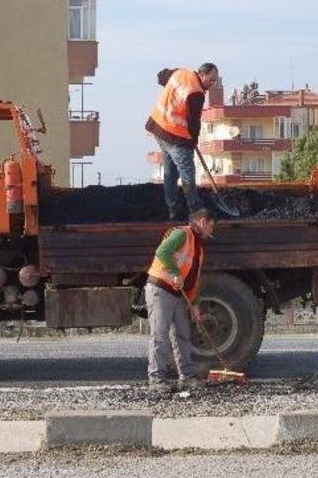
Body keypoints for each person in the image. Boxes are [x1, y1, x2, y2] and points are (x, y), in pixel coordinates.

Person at [145, 208, 216, 392]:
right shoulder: (181, 234)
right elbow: (162, 251)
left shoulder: (197, 246)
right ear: (202, 222)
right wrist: (175, 273)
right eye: (211, 225)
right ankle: (156, 379)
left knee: (182, 335)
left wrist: (194, 303)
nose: (212, 230)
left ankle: (187, 376)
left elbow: (194, 277)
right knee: (160, 335)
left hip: (177, 294)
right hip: (161, 289)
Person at [146, 63, 220, 220]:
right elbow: (194, 123)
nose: (212, 84)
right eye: (211, 80)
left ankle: (174, 210)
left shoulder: (180, 73)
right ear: (202, 74)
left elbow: (161, 75)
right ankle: (195, 209)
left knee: (170, 173)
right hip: (174, 135)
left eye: (215, 82)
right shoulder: (197, 93)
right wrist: (193, 141)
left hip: (159, 127)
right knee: (187, 172)